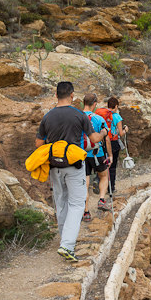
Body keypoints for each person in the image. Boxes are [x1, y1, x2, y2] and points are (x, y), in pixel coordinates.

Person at [35, 82, 107, 261]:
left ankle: (64, 241)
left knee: (61, 202)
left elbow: (38, 144)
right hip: (74, 165)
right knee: (77, 203)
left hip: (54, 166)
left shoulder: (48, 116)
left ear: (55, 95)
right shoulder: (79, 114)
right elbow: (94, 138)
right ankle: (67, 246)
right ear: (72, 95)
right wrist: (104, 133)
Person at [82, 93, 113, 221]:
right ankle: (101, 199)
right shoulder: (99, 119)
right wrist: (110, 155)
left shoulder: (77, 117)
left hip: (81, 154)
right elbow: (106, 139)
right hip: (97, 153)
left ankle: (86, 212)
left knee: (85, 183)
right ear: (94, 104)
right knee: (104, 176)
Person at [97, 97, 129, 193]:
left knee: (103, 164)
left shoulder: (102, 115)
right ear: (116, 106)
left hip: (102, 142)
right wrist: (125, 129)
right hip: (113, 143)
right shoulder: (117, 117)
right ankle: (111, 188)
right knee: (112, 166)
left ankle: (99, 184)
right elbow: (121, 133)